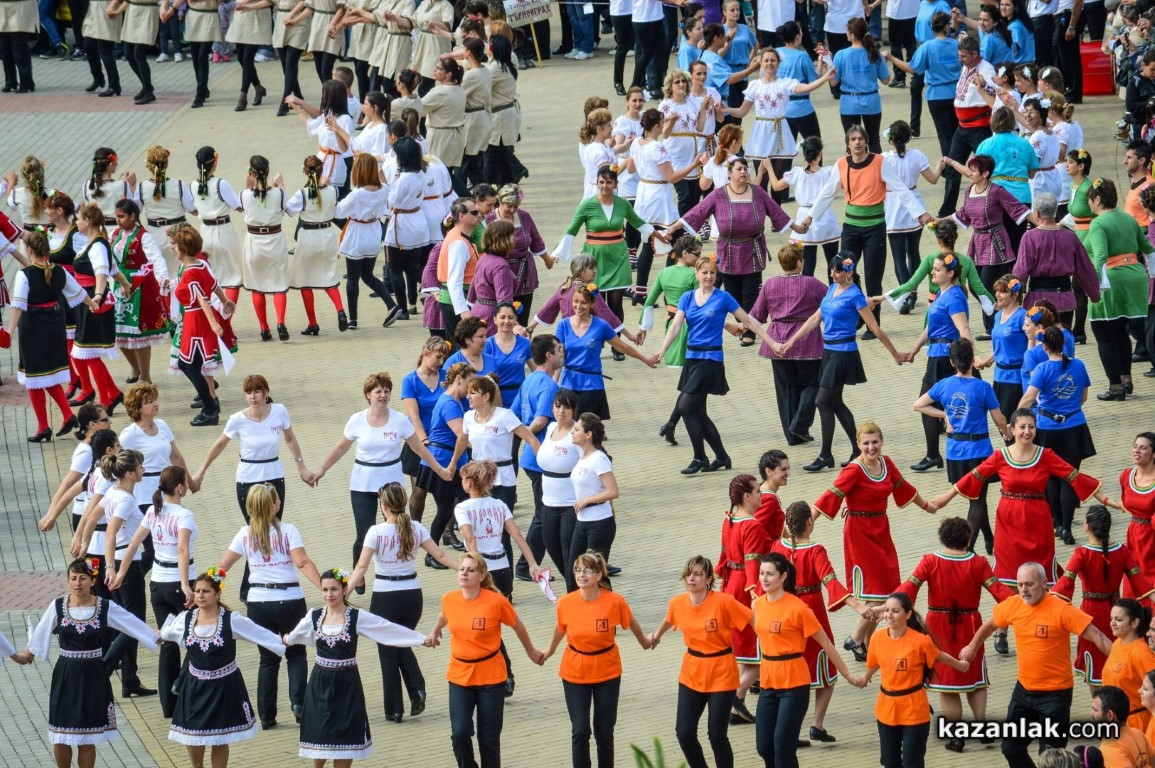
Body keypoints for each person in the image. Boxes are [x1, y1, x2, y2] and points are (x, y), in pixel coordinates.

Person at [960, 562, 1113, 763]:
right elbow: (990, 625)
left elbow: (1098, 636)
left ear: (1044, 582)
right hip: (1023, 693)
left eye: (1029, 584)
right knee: (1010, 748)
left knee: (1050, 757)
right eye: (1020, 584)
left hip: (1056, 696)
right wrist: (972, 647)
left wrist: (1123, 659)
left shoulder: (1061, 609)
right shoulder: (1012, 605)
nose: (1024, 589)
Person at [312, 371, 451, 586]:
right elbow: (341, 447)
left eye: (386, 391)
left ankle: (397, 567)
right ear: (368, 395)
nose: (383, 395)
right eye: (378, 391)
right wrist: (322, 470)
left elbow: (418, 448)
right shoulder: (357, 420)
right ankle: (358, 574)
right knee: (364, 533)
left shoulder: (399, 420)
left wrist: (439, 469)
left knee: (397, 528)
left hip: (391, 482)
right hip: (363, 482)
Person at [812, 421, 935, 660]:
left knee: (887, 588)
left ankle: (865, 644)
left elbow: (903, 486)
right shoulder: (854, 470)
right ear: (858, 444)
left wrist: (927, 506)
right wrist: (806, 524)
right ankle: (856, 637)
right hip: (860, 532)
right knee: (877, 593)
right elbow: (831, 494)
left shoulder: (886, 463)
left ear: (882, 441)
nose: (871, 447)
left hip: (881, 528)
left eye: (875, 442)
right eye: (866, 443)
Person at [776, 255, 907, 471]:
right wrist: (790, 342)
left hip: (844, 353)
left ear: (849, 272)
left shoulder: (855, 295)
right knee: (835, 403)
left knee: (822, 401)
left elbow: (874, 328)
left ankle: (825, 455)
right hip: (829, 351)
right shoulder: (831, 290)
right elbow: (814, 319)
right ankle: (856, 451)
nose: (833, 274)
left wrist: (895, 353)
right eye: (831, 270)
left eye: (837, 271)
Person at [284, 567, 426, 764]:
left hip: (347, 683)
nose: (329, 594)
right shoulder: (314, 616)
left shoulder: (356, 617)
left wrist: (421, 639)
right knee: (319, 734)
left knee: (346, 737)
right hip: (320, 683)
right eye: (325, 590)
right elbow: (292, 637)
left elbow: (386, 629)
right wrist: (281, 640)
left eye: (334, 589)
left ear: (344, 590)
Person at [23, 558, 157, 768]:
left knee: (87, 737)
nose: (78, 583)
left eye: (83, 578)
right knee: (60, 734)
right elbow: (41, 633)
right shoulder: (58, 606)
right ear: (68, 581)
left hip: (93, 675)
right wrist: (26, 654)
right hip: (66, 674)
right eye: (73, 578)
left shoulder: (104, 607)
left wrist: (155, 636)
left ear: (93, 581)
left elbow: (130, 623)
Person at [896, 517, 1013, 753]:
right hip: (971, 624)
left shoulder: (930, 561)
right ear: (967, 539)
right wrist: (1024, 606)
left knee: (947, 682)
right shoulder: (979, 563)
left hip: (938, 627)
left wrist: (890, 606)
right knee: (976, 677)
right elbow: (1000, 592)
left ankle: (957, 736)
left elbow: (909, 588)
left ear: (943, 537)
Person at [192, 374, 314, 599]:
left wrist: (302, 467)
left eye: (257, 391)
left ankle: (257, 583)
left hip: (274, 478)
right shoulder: (237, 419)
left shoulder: (279, 411)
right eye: (248, 393)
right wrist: (201, 471)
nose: (253, 397)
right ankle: (250, 588)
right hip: (248, 479)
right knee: (254, 532)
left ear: (266, 392)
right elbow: (219, 445)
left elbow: (290, 439)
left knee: (271, 529)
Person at [347, 482, 458, 722]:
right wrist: (464, 568)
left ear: (384, 506)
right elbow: (439, 554)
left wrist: (346, 592)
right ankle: (416, 690)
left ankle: (395, 708)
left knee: (388, 650)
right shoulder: (416, 527)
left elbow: (361, 567)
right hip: (412, 595)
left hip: (385, 595)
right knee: (402, 641)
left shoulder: (376, 532)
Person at [424, 552, 546, 768]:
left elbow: (517, 624)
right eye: (462, 569)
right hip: (460, 676)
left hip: (491, 677)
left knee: (488, 739)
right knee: (460, 733)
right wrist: (435, 631)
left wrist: (531, 651)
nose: (464, 573)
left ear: (481, 576)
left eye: (470, 570)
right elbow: (444, 614)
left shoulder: (496, 602)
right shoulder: (449, 599)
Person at [217, 483, 322, 730]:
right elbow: (302, 562)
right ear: (276, 505)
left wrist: (207, 589)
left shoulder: (244, 534)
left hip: (258, 602)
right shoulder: (288, 530)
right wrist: (324, 587)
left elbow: (222, 566)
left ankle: (266, 715)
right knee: (296, 653)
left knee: (268, 659)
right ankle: (299, 704)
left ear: (250, 507)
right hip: (290, 599)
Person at [806, 126, 932, 333]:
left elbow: (900, 188)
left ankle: (874, 324)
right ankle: (857, 315)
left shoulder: (879, 162)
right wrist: (810, 217)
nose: (857, 142)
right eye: (853, 139)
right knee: (848, 273)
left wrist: (920, 213)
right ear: (848, 144)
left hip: (874, 229)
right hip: (851, 229)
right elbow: (827, 193)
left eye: (860, 139)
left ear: (866, 142)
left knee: (873, 277)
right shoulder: (841, 164)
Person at [161, 568, 286, 765]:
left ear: (217, 594)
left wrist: (285, 641)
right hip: (195, 686)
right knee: (192, 734)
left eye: (206, 591)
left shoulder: (230, 619)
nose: (200, 595)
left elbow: (258, 633)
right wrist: (155, 636)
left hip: (224, 685)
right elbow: (166, 634)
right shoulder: (186, 619)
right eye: (197, 591)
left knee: (220, 737)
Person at [772, 501, 872, 744]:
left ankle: (789, 729)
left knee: (790, 668)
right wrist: (859, 606)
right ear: (810, 522)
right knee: (825, 665)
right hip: (810, 610)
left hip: (783, 609)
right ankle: (816, 725)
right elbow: (831, 582)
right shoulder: (815, 551)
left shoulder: (778, 546)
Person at [752, 552, 864, 768]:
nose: (764, 579)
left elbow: (826, 643)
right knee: (764, 747)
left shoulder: (799, 608)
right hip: (768, 683)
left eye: (770, 574)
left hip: (794, 685)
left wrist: (848, 675)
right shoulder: (757, 605)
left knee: (782, 746)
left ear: (783, 576)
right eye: (761, 573)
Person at [542, 550, 650, 768]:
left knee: (604, 731)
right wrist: (549, 651)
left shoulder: (614, 601)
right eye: (578, 570)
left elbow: (630, 621)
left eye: (587, 570)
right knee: (581, 730)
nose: (581, 575)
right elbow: (560, 628)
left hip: (607, 672)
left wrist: (645, 642)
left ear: (599, 575)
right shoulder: (566, 603)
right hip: (575, 672)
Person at [667, 157, 797, 332]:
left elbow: (776, 211)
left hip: (752, 249)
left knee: (751, 292)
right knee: (733, 293)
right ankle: (743, 323)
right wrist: (674, 227)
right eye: (739, 169)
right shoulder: (719, 195)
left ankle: (749, 331)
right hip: (728, 251)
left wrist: (797, 227)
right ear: (729, 173)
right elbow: (698, 211)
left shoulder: (758, 192)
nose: (743, 171)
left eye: (745, 168)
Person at [650, 555, 755, 768]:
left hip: (721, 673)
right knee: (684, 733)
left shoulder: (724, 602)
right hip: (692, 673)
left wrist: (771, 643)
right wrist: (655, 637)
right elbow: (669, 619)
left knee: (717, 736)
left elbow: (752, 619)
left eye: (697, 574)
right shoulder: (677, 603)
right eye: (688, 574)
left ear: (708, 579)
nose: (691, 578)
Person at [109, 465, 196, 718]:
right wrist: (185, 584)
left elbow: (133, 543)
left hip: (157, 584)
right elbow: (182, 550)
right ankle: (181, 682)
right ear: (179, 487)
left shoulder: (153, 511)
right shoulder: (184, 515)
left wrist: (121, 572)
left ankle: (168, 706)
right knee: (196, 638)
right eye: (186, 482)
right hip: (179, 584)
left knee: (168, 642)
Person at [914, 337, 1009, 553]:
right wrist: (1007, 432)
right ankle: (968, 549)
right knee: (977, 500)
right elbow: (999, 419)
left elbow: (918, 405)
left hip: (955, 452)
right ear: (973, 359)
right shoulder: (983, 387)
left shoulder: (944, 385)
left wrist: (944, 415)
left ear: (952, 362)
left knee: (974, 497)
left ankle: (989, 539)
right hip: (980, 451)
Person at [2, 230, 96, 442]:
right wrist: (93, 304)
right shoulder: (59, 270)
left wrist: (9, 331)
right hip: (55, 327)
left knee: (34, 377)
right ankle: (67, 416)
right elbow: (78, 291)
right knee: (47, 375)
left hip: (33, 329)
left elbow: (17, 305)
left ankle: (44, 426)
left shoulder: (25, 274)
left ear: (29, 250)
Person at [863, 592, 970, 768]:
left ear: (908, 614)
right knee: (890, 762)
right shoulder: (877, 638)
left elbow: (939, 655)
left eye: (895, 611)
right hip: (886, 709)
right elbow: (876, 663)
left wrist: (960, 665)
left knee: (912, 762)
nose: (889, 615)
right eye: (886, 610)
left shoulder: (920, 641)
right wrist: (865, 677)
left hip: (914, 710)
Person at [1052, 507, 1153, 690]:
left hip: (1090, 614)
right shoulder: (1122, 551)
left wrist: (1048, 603)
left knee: (1095, 668)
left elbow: (1065, 582)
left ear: (1086, 526)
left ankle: (1101, 704)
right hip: (1118, 613)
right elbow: (1141, 583)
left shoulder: (1081, 553)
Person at [1018, 326, 1097, 544]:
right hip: (1075, 427)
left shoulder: (1042, 369)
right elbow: (1083, 397)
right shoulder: (1078, 365)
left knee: (1051, 478)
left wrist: (1016, 420)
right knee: (1070, 478)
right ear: (1063, 344)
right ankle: (1067, 529)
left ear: (1044, 347)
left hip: (1048, 429)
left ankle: (1057, 523)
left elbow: (1029, 398)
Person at [904, 253, 978, 473]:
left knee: (928, 402)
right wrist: (914, 349)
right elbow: (931, 327)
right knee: (934, 402)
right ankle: (935, 453)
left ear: (950, 273)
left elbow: (963, 328)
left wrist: (972, 357)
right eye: (933, 269)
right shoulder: (941, 293)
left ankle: (935, 454)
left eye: (937, 269)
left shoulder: (954, 296)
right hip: (936, 354)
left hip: (945, 357)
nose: (933, 272)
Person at [626, 108, 708, 306]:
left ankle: (641, 291)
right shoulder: (658, 147)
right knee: (676, 241)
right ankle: (670, 288)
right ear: (656, 126)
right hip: (659, 198)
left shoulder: (636, 143)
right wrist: (695, 164)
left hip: (643, 193)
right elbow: (671, 177)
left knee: (648, 242)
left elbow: (630, 168)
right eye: (662, 123)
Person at [553, 168, 653, 325]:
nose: (604, 186)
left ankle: (616, 339)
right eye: (601, 182)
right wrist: (558, 252)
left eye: (609, 182)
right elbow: (572, 229)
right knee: (596, 303)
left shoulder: (623, 204)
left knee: (615, 303)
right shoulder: (587, 205)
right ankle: (599, 336)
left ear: (616, 184)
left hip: (618, 257)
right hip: (594, 259)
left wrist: (659, 235)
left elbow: (638, 222)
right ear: (597, 183)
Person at [1086, 178, 1154, 401]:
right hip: (1135, 276)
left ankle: (1115, 386)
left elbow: (1101, 257)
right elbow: (1148, 248)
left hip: (1112, 279)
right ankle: (1126, 379)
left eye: (1090, 200)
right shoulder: (1128, 218)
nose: (1089, 205)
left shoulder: (1098, 223)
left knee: (1103, 334)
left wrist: (1098, 285)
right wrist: (1153, 274)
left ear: (1097, 199)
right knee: (1121, 331)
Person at [716, 474, 773, 723]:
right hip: (743, 589)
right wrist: (756, 595)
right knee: (761, 650)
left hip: (730, 584)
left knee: (742, 649)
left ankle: (734, 711)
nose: (761, 496)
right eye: (758, 492)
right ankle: (736, 696)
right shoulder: (752, 525)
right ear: (747, 496)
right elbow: (752, 564)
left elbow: (723, 555)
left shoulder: (728, 519)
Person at [168, 226, 237, 429]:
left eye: (175, 246)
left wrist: (214, 323)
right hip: (197, 320)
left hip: (196, 321)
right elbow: (214, 285)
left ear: (183, 249)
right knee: (190, 365)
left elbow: (201, 299)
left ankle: (210, 409)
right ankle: (210, 404)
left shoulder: (190, 272)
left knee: (188, 365)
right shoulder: (201, 265)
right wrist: (224, 301)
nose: (173, 249)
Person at [558, 284, 655, 420]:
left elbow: (621, 346)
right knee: (566, 426)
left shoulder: (601, 325)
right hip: (568, 384)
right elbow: (558, 357)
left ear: (592, 304)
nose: (578, 306)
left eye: (583, 302)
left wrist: (645, 359)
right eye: (576, 301)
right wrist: (552, 383)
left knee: (586, 426)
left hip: (591, 385)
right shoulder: (563, 325)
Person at [1013, 192, 1100, 332]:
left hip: (1038, 300)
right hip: (1065, 298)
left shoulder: (1029, 237)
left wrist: (1012, 297)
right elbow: (1085, 268)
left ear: (1037, 213)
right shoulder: (1070, 236)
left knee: (1039, 340)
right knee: (1063, 339)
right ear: (1055, 211)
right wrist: (1094, 294)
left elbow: (1020, 271)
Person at [417, 362, 474, 569]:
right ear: (459, 379)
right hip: (443, 461)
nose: (471, 388)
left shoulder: (453, 400)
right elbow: (462, 436)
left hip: (446, 459)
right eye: (469, 382)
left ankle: (434, 553)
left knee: (448, 509)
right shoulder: (449, 404)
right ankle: (432, 554)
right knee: (445, 510)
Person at [109, 198, 171, 383]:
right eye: (116, 216)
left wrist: (163, 278)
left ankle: (145, 375)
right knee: (117, 332)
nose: (118, 220)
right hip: (118, 286)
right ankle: (134, 366)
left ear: (132, 216)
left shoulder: (144, 236)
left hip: (138, 287)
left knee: (138, 334)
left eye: (121, 216)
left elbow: (156, 258)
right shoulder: (115, 234)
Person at [284, 155, 345, 336]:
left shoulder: (303, 193)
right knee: (329, 276)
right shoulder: (333, 190)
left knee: (305, 282)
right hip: (327, 235)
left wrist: (281, 189)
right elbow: (335, 210)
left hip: (308, 237)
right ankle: (340, 310)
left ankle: (313, 323)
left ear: (305, 172)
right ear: (321, 170)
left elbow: (289, 210)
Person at [884, 11, 959, 157]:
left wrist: (892, 58)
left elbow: (912, 68)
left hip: (936, 95)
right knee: (957, 133)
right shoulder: (956, 44)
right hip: (957, 93)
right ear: (946, 27)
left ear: (932, 27)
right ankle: (957, 163)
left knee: (944, 135)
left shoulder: (927, 47)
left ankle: (949, 166)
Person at [766, 138, 841, 276]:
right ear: (820, 154)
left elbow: (776, 187)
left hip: (804, 220)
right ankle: (834, 288)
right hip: (826, 218)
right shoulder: (829, 172)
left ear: (805, 155)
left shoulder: (797, 173)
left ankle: (806, 288)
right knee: (833, 263)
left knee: (808, 264)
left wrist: (769, 167)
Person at [938, 35, 996, 216]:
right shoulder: (966, 66)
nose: (960, 59)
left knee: (985, 169)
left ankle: (990, 205)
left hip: (979, 128)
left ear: (975, 54)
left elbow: (996, 90)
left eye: (963, 56)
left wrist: (984, 84)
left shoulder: (986, 69)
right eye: (959, 55)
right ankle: (947, 210)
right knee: (952, 168)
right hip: (962, 128)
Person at [239, 155, 292, 341]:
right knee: (279, 285)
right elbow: (286, 209)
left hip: (254, 241)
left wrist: (248, 187)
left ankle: (264, 327)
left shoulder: (245, 194)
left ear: (251, 173)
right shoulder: (279, 193)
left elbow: (245, 204)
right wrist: (280, 185)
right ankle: (281, 322)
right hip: (275, 239)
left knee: (257, 286)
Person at [191, 147, 244, 306]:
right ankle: (226, 316)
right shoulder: (220, 184)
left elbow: (194, 208)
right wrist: (247, 191)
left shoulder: (193, 185)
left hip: (205, 232)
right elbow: (238, 206)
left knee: (212, 278)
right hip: (223, 231)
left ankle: (214, 314)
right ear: (214, 164)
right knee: (233, 278)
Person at [830, 18, 890, 151]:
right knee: (873, 140)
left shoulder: (841, 55)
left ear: (852, 35)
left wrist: (828, 65)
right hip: (871, 101)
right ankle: (876, 165)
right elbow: (886, 80)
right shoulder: (875, 53)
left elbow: (833, 82)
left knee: (851, 142)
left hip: (849, 103)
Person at [1120, 432, 1155, 596]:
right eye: (1135, 447)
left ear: (1153, 454)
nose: (1137, 451)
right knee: (1132, 576)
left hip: (1152, 538)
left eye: (1143, 448)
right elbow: (1124, 502)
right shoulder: (1127, 475)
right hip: (1134, 535)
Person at [224, 0, 271, 111]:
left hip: (258, 16)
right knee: (241, 58)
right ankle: (258, 87)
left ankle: (243, 96)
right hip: (241, 17)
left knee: (247, 59)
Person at [1090, 685, 1153, 767]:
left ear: (1109, 715)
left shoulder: (1111, 750)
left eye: (1095, 710)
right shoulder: (1138, 734)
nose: (1090, 714)